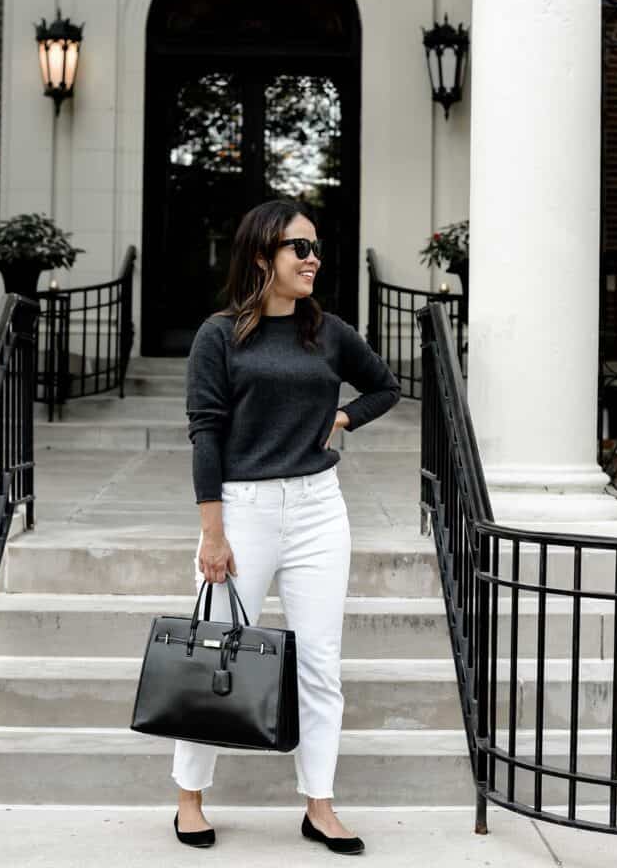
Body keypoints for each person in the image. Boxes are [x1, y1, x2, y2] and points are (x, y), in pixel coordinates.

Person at [171, 198, 401, 854]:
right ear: (262, 255)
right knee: (214, 652)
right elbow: (206, 434)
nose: (313, 259)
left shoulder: (328, 333)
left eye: (316, 248)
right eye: (299, 248)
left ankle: (319, 805)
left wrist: (341, 420)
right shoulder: (220, 335)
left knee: (321, 664)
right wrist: (212, 533)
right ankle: (189, 797)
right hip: (241, 513)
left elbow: (384, 387)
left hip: (318, 509)